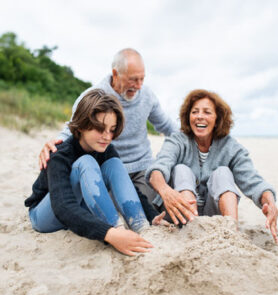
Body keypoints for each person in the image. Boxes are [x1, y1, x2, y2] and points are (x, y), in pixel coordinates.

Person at [25, 89, 167, 256]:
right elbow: (62, 206)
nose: (107, 136)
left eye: (112, 129)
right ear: (83, 125)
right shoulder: (60, 154)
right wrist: (110, 234)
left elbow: (127, 187)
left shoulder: (107, 149)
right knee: (86, 162)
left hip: (79, 208)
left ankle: (141, 225)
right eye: (100, 128)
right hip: (47, 214)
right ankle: (117, 230)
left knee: (114, 164)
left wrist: (152, 216)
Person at [39, 48, 178, 202]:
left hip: (141, 168)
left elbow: (167, 126)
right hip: (107, 168)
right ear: (115, 73)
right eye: (133, 79)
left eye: (142, 79)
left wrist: (195, 139)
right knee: (113, 207)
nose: (139, 86)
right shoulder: (93, 96)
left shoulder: (147, 95)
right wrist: (54, 145)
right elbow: (72, 129)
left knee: (148, 206)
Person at [145, 89, 278, 243]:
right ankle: (191, 230)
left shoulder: (230, 147)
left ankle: (231, 234)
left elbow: (253, 181)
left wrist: (270, 202)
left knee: (223, 172)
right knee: (181, 169)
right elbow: (158, 168)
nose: (200, 116)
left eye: (207, 112)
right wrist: (165, 191)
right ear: (188, 117)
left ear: (217, 119)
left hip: (213, 216)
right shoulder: (177, 140)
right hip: (178, 215)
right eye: (195, 112)